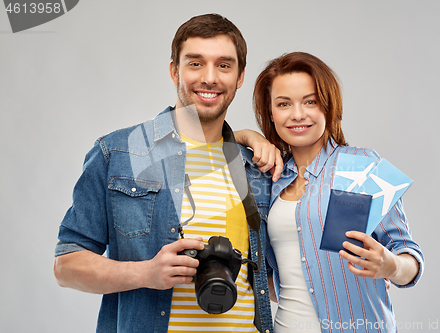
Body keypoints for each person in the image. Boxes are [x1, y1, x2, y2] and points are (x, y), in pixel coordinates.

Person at [53, 14, 282, 333]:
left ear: (240, 76)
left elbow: (274, 281)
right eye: (196, 63)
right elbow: (66, 265)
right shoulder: (119, 153)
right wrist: (145, 274)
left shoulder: (256, 167)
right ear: (175, 70)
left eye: (224, 65)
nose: (210, 78)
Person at [239, 52, 424, 333]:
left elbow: (409, 255)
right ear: (271, 113)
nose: (297, 114)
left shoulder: (361, 167)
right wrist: (246, 136)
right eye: (284, 104)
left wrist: (391, 266)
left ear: (328, 106)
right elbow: (205, 142)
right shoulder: (268, 178)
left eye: (310, 101)